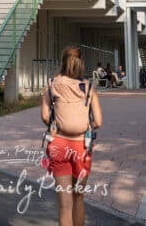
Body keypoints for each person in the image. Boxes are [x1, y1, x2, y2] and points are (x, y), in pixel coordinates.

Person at [41, 45, 103, 226]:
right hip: (81, 147)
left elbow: (45, 116)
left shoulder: (52, 84)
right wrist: (86, 125)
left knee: (64, 205)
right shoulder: (89, 87)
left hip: (58, 146)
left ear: (63, 63)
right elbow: (98, 122)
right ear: (80, 63)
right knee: (78, 198)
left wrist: (54, 125)